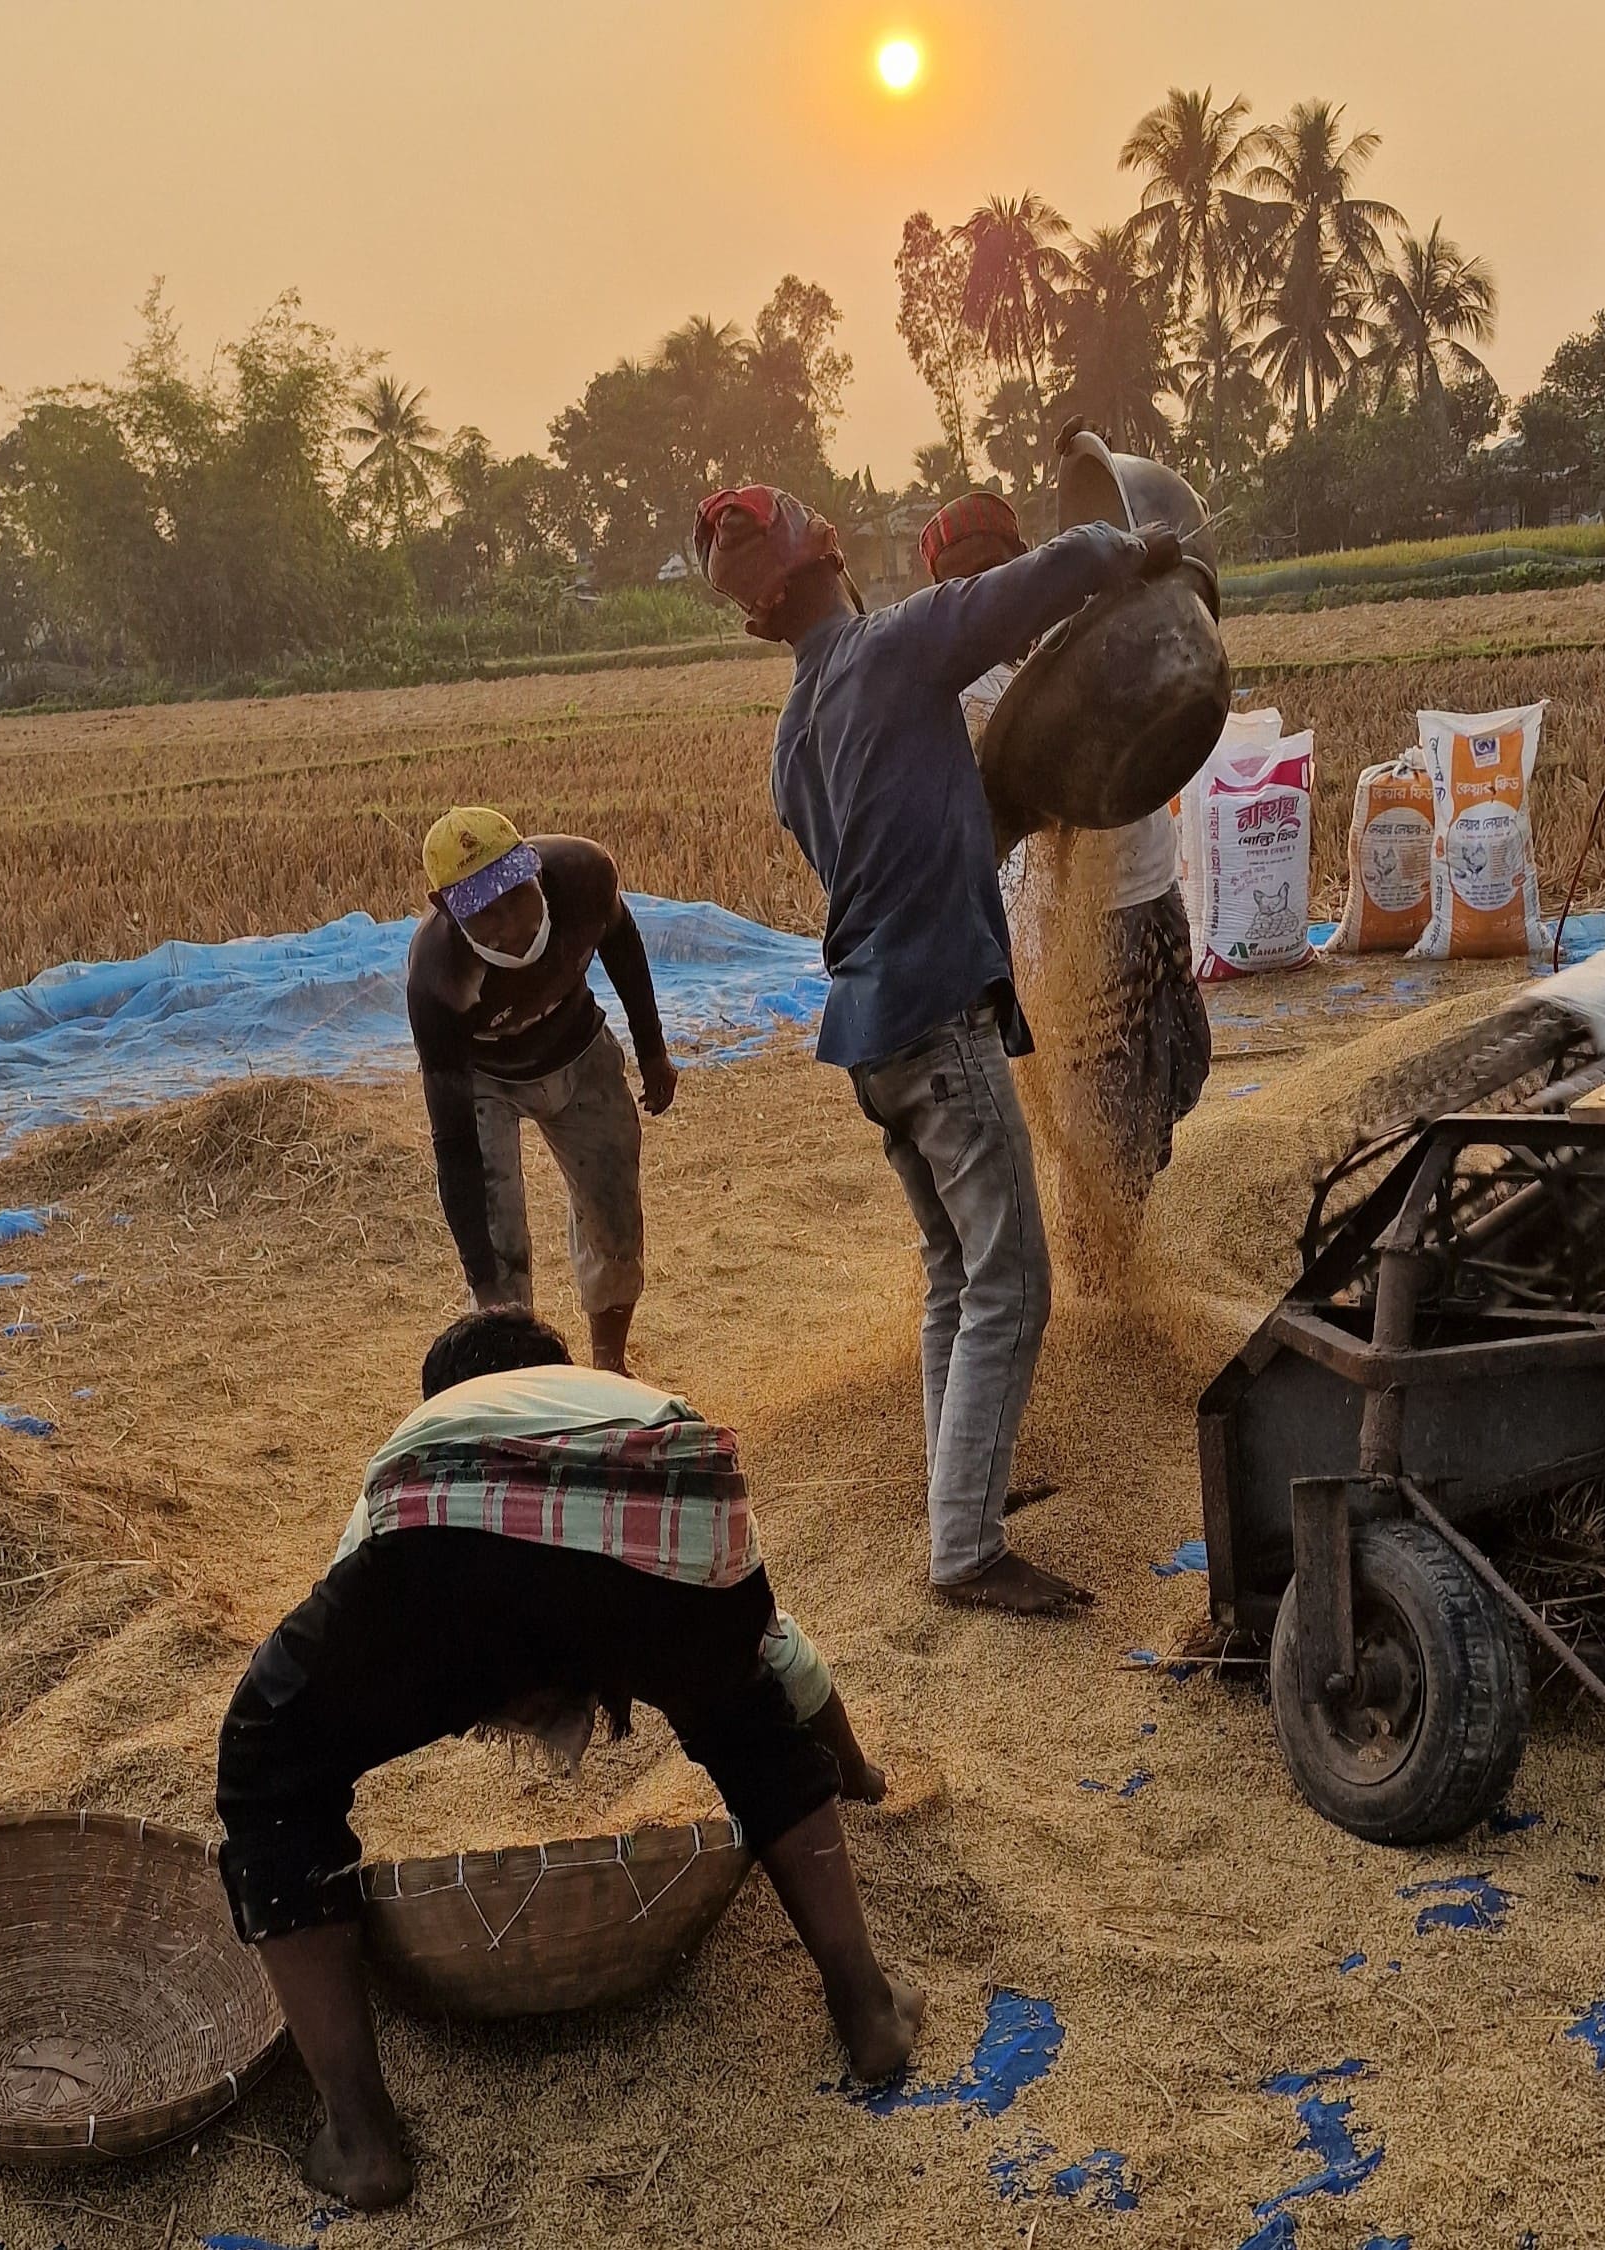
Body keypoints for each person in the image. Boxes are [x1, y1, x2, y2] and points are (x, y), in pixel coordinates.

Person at [216, 1308, 918, 2213]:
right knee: (747, 1724)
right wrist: (851, 1775)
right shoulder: (615, 1403)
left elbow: (339, 1653)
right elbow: (786, 1659)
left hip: (443, 1531)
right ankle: (868, 2009)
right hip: (681, 1496)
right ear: (559, 1372)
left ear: (445, 1398)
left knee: (269, 1759)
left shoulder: (441, 1436)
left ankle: (360, 2139)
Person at [690, 483, 1179, 1618]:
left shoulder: (789, 745)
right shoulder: (892, 650)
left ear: (761, 621)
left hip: (870, 1031)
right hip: (937, 1012)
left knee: (955, 1276)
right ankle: (964, 1550)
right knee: (1012, 1278)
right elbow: (1022, 592)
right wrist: (1131, 545)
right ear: (828, 553)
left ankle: (964, 1493)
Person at [923, 491, 1212, 1206]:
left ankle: (1120, 1227)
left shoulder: (1076, 627)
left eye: (1000, 567)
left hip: (1148, 881)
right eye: (968, 580)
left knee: (1181, 1066)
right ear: (951, 595)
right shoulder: (966, 689)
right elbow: (1010, 797)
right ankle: (1102, 1273)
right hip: (1070, 928)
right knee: (1104, 1121)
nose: (991, 588)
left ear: (1023, 563)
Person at [407, 808, 679, 1374]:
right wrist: (484, 1283)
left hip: (577, 1049)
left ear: (534, 867)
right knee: (498, 1232)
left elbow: (623, 945)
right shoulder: (439, 979)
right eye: (486, 914)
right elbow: (455, 1142)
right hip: (486, 1079)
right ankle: (518, 1375)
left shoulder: (584, 874)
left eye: (517, 896)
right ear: (447, 911)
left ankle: (610, 1364)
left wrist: (652, 1048)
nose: (513, 924)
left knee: (613, 1209)